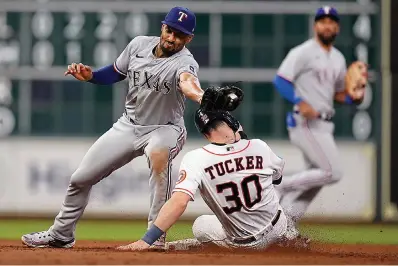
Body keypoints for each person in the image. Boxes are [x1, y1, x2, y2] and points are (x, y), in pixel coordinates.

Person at [21, 6, 241, 250]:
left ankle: (155, 237)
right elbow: (115, 72)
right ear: (162, 27)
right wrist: (91, 75)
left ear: (188, 39)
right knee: (79, 179)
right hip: (129, 125)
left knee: (159, 158)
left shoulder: (185, 62)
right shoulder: (138, 45)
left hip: (165, 128)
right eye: (170, 30)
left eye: (180, 35)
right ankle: (61, 234)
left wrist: (201, 98)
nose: (172, 38)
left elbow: (188, 84)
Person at [116, 108, 288, 251]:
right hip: (279, 227)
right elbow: (277, 179)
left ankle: (195, 247)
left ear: (205, 134)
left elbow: (179, 202)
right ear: (234, 124)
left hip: (248, 244)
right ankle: (290, 235)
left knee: (201, 224)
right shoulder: (259, 146)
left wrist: (147, 240)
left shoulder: (197, 158)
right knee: (275, 200)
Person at [272, 6, 365, 238]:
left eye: (332, 22)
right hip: (304, 121)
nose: (327, 25)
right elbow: (281, 80)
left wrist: (352, 98)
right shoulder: (303, 51)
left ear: (337, 27)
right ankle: (280, 184)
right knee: (332, 171)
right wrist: (299, 100)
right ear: (315, 26)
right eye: (322, 21)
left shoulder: (338, 59)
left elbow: (337, 94)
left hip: (324, 124)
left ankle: (285, 225)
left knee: (315, 179)